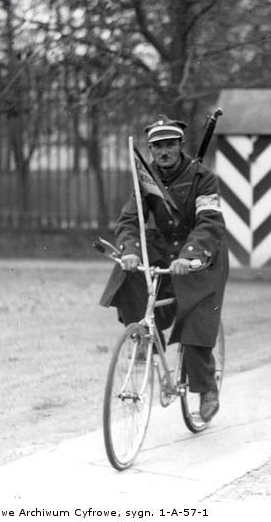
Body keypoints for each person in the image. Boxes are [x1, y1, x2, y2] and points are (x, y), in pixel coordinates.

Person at [100, 115, 228, 423]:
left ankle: (206, 387)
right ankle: (144, 337)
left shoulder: (203, 177)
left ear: (180, 145)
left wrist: (189, 255)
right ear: (151, 149)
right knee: (128, 274)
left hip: (202, 253)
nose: (164, 152)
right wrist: (130, 251)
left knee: (196, 317)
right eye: (157, 147)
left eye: (170, 145)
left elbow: (209, 221)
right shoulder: (144, 178)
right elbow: (130, 220)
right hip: (164, 247)